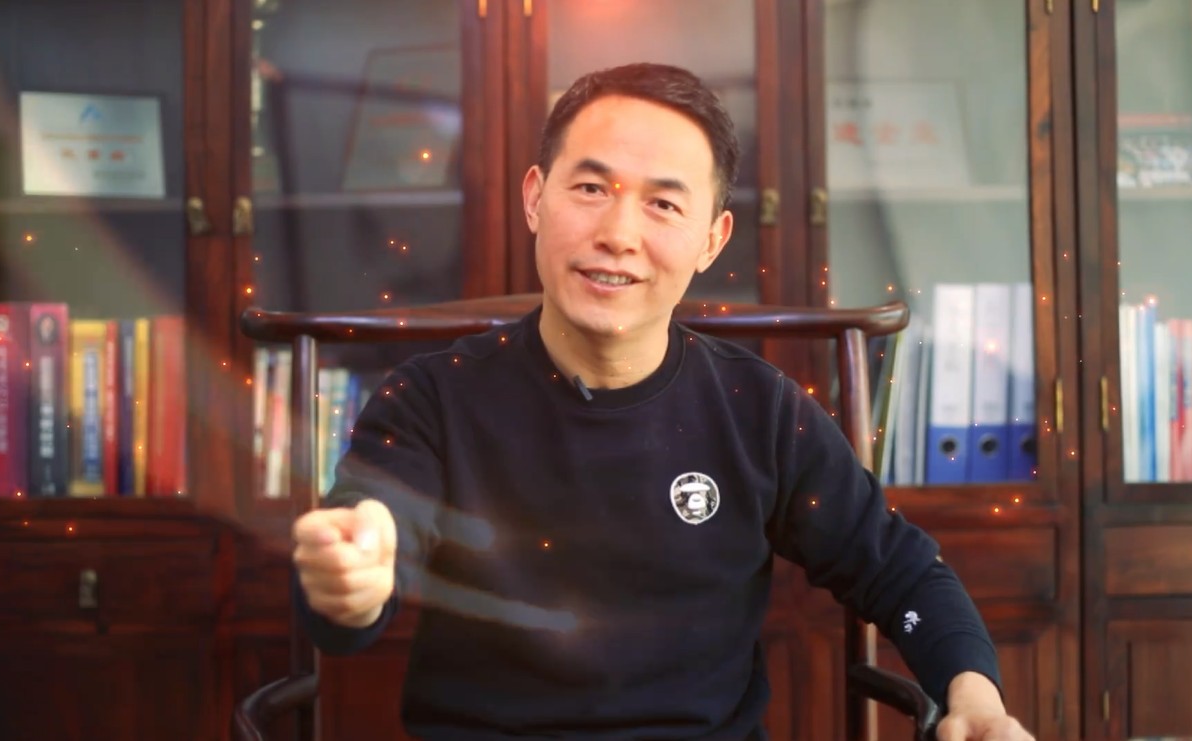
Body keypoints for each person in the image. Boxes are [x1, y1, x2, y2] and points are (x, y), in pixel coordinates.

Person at [291, 62, 1033, 741]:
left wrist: (975, 697)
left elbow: (898, 570)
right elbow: (366, 554)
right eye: (591, 189)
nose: (618, 234)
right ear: (535, 198)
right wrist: (352, 582)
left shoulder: (759, 410)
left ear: (712, 238)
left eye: (663, 204)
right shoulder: (432, 399)